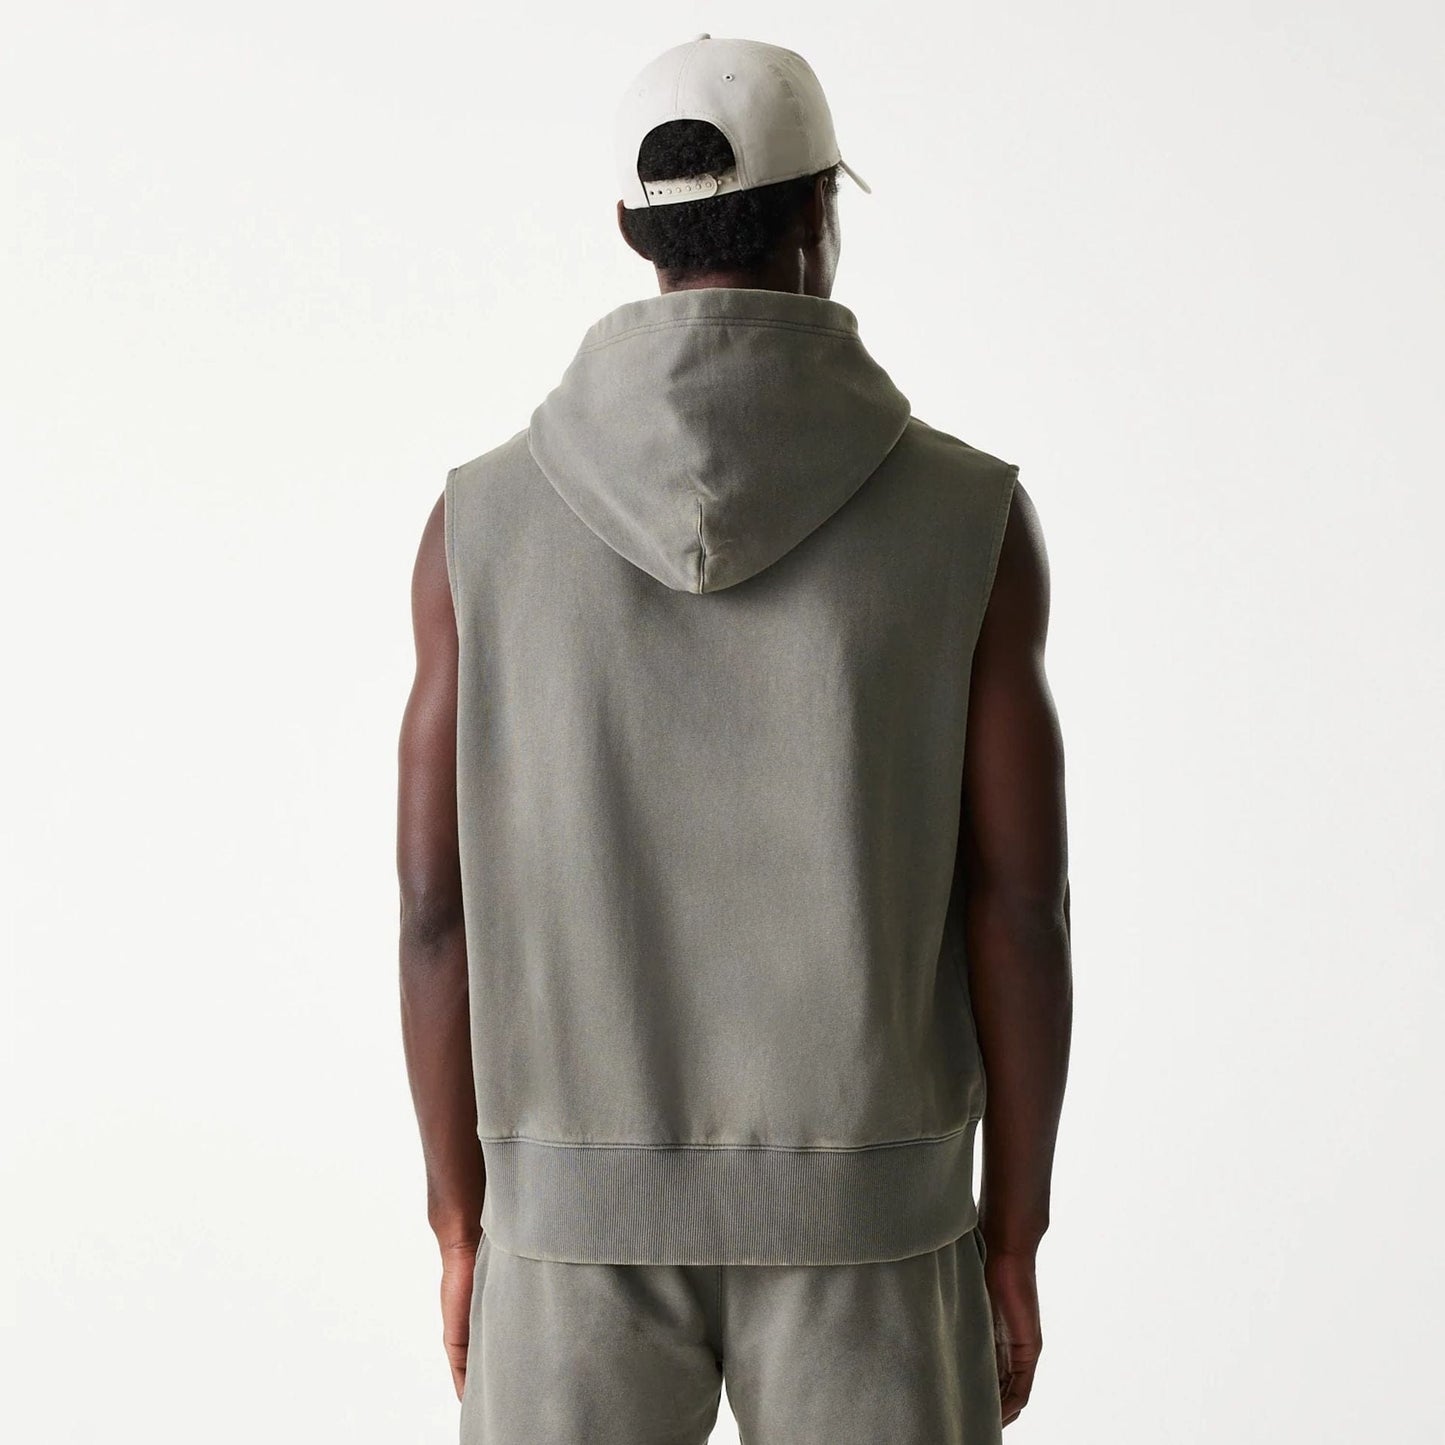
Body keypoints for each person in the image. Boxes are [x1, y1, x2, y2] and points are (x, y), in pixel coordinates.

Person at [397, 32, 1072, 1444]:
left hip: (568, 1229)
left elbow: (434, 909)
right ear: (821, 210)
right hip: (876, 1221)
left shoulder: (478, 528)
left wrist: (461, 1220)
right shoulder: (967, 519)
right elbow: (1018, 904)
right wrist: (1013, 1229)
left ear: (629, 229)